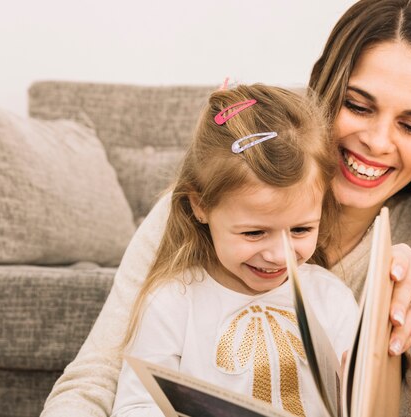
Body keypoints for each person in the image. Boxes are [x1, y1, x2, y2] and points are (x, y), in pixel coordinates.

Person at [41, 1, 411, 416]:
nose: (376, 141)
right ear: (325, 92)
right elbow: (99, 378)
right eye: (358, 105)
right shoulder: (196, 215)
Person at [109, 83, 359, 417]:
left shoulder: (332, 299)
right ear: (201, 207)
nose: (279, 254)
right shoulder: (175, 301)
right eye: (254, 233)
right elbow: (137, 404)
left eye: (300, 229)